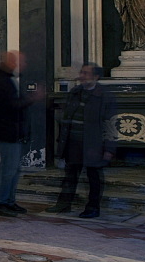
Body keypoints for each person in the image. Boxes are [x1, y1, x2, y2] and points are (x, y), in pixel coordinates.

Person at [46, 62, 117, 218]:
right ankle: (64, 204)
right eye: (82, 72)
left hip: (93, 143)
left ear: (96, 76)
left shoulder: (104, 96)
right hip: (73, 141)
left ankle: (93, 207)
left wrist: (109, 148)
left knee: (93, 177)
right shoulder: (75, 92)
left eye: (86, 73)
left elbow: (110, 123)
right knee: (70, 175)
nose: (82, 76)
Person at [0, 51, 43, 218]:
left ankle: (8, 201)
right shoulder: (0, 81)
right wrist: (33, 97)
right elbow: (11, 105)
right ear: (11, 62)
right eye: (20, 61)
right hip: (7, 131)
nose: (22, 64)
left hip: (11, 131)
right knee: (9, 170)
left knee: (12, 169)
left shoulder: (5, 79)